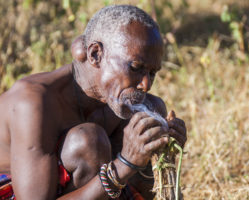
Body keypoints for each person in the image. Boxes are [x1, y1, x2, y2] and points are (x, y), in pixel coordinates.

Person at [0, 5, 187, 200]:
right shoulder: (33, 104)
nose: (145, 85)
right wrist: (125, 165)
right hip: (17, 191)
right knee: (89, 141)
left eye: (152, 73)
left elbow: (154, 193)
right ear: (95, 54)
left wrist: (167, 157)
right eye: (135, 67)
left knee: (143, 125)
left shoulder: (122, 100)